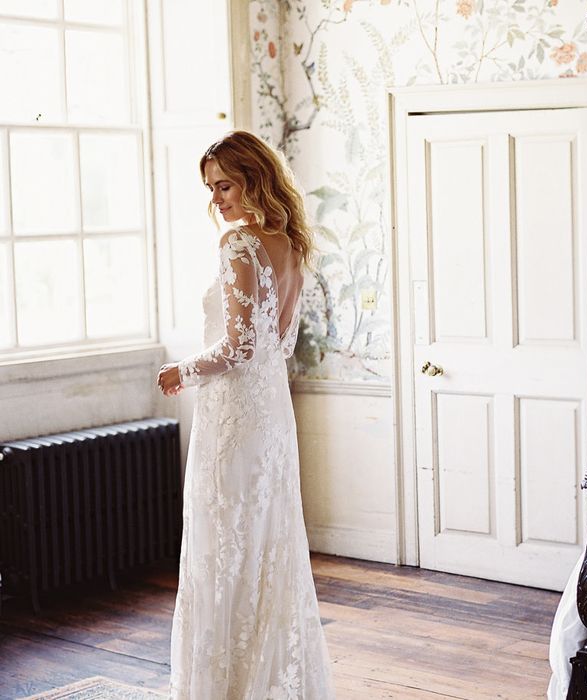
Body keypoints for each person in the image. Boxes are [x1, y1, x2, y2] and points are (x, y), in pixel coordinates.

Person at [156, 131, 336, 699]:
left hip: (233, 419)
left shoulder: (239, 245)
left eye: (225, 185)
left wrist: (180, 371)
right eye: (211, 188)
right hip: (270, 418)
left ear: (255, 178)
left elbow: (237, 347)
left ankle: (227, 686)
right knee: (264, 545)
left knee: (224, 545)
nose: (217, 199)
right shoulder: (291, 244)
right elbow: (274, 344)